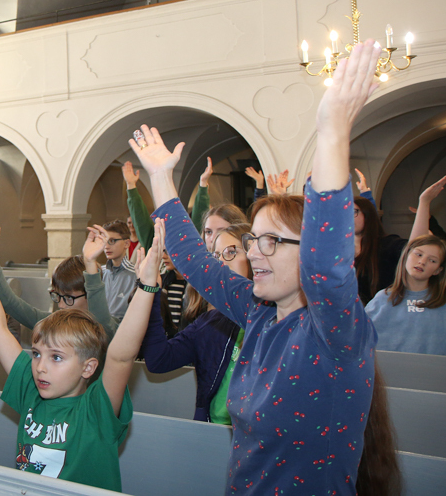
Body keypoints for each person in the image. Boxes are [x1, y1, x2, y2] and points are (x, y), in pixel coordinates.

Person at [130, 39, 383, 494]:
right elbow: (195, 260)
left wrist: (332, 133)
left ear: (309, 251)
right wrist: (161, 178)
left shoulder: (335, 329)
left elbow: (327, 266)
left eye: (272, 241)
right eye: (252, 240)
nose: (253, 253)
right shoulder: (259, 311)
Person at [0, 214, 158, 491]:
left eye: (56, 357)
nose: (40, 366)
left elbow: (121, 355)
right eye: (36, 354)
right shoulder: (31, 390)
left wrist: (146, 288)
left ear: (88, 367)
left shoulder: (96, 410)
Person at [141, 223, 252, 423]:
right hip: (213, 431)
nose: (221, 262)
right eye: (216, 256)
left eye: (231, 252)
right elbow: (158, 360)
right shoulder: (210, 323)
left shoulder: (275, 318)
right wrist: (152, 290)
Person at [0, 219, 119, 337]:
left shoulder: (107, 328)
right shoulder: (54, 323)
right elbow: (10, 303)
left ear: (89, 295)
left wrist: (90, 262)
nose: (61, 305)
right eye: (57, 296)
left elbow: (101, 325)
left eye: (68, 298)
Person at [366, 235, 446, 357]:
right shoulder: (382, 298)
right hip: (393, 368)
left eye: (432, 260)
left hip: (443, 368)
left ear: (438, 270)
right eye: (418, 254)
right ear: (406, 256)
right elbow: (359, 339)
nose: (422, 262)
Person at [354, 176, 446, 304]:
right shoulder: (338, 251)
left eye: (353, 211)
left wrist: (424, 202)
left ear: (368, 215)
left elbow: (416, 247)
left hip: (385, 312)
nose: (347, 217)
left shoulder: (386, 245)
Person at [98, 219, 137, 321]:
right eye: (104, 241)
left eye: (112, 241)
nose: (106, 246)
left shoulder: (136, 275)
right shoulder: (100, 273)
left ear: (126, 243)